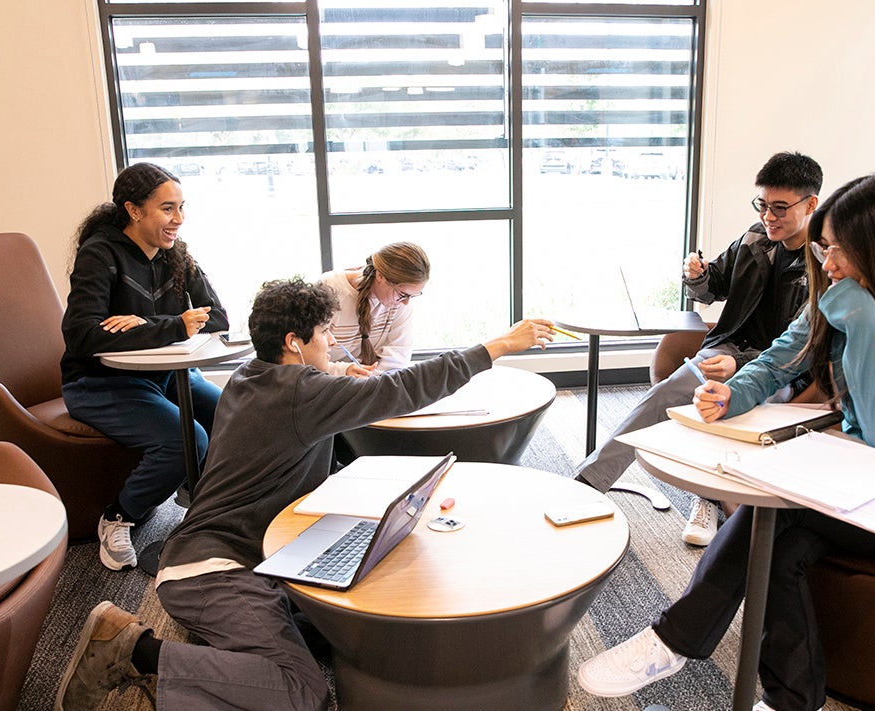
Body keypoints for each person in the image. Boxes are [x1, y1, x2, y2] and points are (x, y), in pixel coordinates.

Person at [576, 171, 875, 711]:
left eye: (840, 252)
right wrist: (734, 393)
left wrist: (865, 330)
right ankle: (790, 702)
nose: (827, 265)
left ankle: (674, 640)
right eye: (825, 248)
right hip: (857, 482)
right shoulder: (844, 293)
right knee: (778, 549)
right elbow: (780, 356)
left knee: (776, 516)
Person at [54, 277, 556, 711]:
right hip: (211, 572)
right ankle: (133, 649)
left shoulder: (251, 376)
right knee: (302, 692)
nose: (332, 348)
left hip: (253, 559)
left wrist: (336, 374)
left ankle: (211, 663)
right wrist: (498, 347)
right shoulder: (303, 394)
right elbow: (406, 387)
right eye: (323, 337)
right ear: (294, 343)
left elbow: (300, 393)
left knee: (346, 629)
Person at [574, 151, 823, 545]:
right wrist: (699, 275)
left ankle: (708, 498)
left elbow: (801, 348)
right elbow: (713, 290)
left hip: (782, 370)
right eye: (762, 205)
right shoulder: (754, 239)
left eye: (780, 208)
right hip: (725, 350)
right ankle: (586, 485)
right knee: (664, 395)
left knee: (727, 411)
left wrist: (739, 364)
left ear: (811, 204)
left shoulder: (825, 263)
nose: (768, 217)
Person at [60, 162, 229, 572]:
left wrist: (145, 326)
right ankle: (119, 515)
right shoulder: (100, 254)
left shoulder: (177, 255)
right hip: (101, 383)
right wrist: (169, 326)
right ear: (134, 210)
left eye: (181, 207)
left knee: (232, 412)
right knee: (186, 438)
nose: (178, 220)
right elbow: (81, 334)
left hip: (166, 377)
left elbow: (218, 318)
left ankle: (204, 506)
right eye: (167, 209)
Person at [319, 241, 431, 377]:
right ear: (380, 276)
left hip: (372, 386)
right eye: (403, 295)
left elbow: (398, 357)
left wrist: (369, 382)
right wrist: (344, 371)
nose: (406, 302)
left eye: (412, 296)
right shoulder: (328, 289)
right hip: (329, 384)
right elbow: (305, 358)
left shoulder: (400, 302)